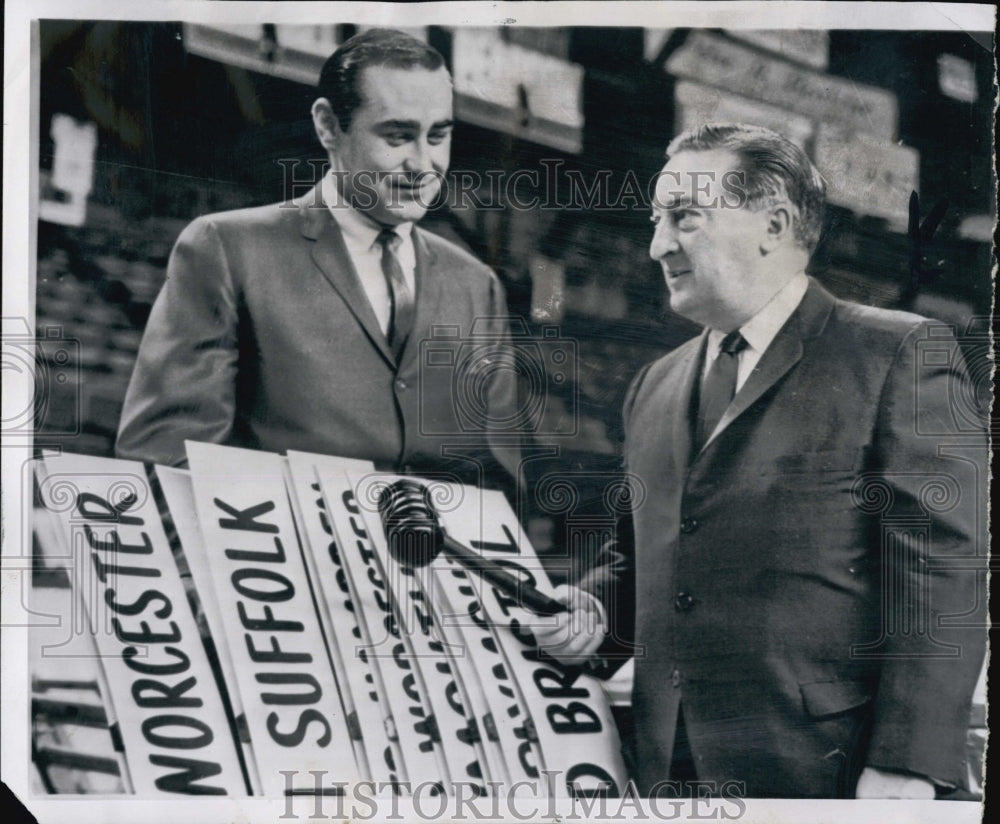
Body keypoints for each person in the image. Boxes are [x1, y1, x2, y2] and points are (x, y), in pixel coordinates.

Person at [536, 123, 987, 799]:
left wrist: (908, 765)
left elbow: (941, 572)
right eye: (657, 221)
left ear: (771, 225)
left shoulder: (896, 354)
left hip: (829, 775)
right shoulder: (653, 385)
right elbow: (644, 562)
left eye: (684, 217)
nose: (658, 245)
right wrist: (593, 607)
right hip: (667, 769)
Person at [117, 29, 518, 487]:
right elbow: (169, 458)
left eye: (438, 135)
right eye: (398, 136)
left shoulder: (477, 285)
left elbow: (498, 478)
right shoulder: (226, 247)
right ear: (328, 126)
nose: (423, 163)